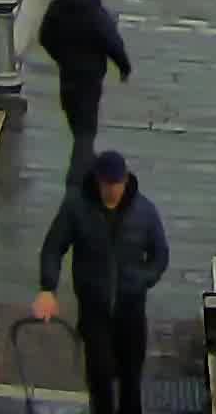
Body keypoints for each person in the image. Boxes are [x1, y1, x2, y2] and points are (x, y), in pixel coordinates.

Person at [33, 150, 167, 414]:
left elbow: (160, 254)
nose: (112, 190)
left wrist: (143, 279)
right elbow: (53, 247)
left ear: (125, 180)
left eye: (117, 184)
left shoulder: (144, 211)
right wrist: (48, 288)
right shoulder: (77, 208)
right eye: (107, 184)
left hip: (131, 308)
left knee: (131, 378)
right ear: (98, 180)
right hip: (94, 308)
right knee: (100, 375)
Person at [37, 0, 132, 171]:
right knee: (87, 125)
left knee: (74, 117)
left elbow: (44, 37)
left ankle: (83, 158)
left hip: (68, 74)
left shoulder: (58, 7)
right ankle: (81, 167)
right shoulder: (95, 13)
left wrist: (61, 57)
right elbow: (112, 42)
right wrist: (124, 67)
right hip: (90, 78)